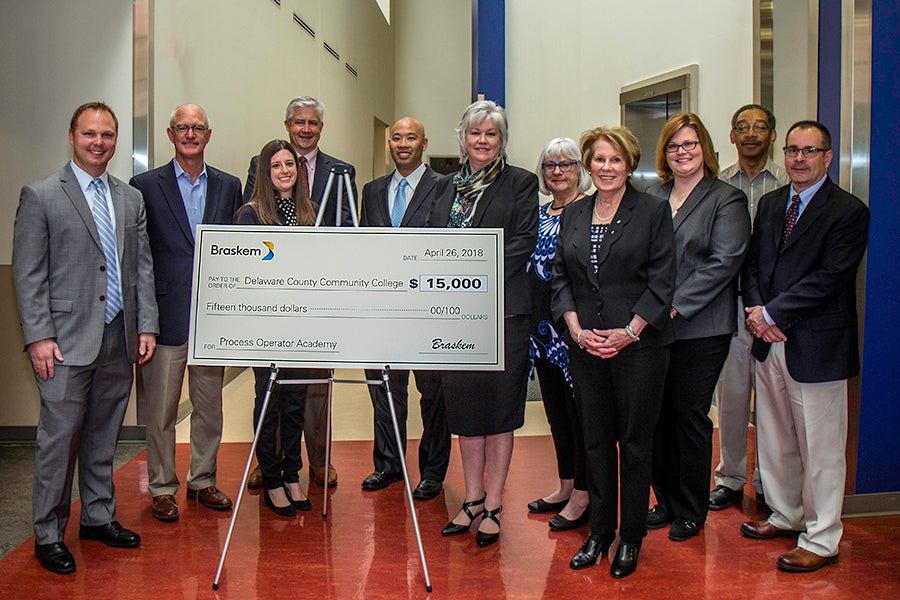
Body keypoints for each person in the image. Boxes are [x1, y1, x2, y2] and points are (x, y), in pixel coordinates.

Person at [12, 102, 158, 574]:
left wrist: (146, 325)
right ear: (72, 136)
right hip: (64, 343)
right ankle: (49, 533)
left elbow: (142, 268)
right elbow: (28, 274)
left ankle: (97, 517)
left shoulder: (129, 198)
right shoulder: (41, 195)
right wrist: (38, 338)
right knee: (59, 441)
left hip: (118, 336)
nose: (100, 143)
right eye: (90, 134)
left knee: (103, 437)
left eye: (108, 135)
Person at [740, 120, 869, 573]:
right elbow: (753, 264)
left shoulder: (849, 211)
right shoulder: (773, 204)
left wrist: (772, 315)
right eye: (793, 150)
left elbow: (830, 278)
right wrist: (757, 312)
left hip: (817, 345)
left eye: (809, 151)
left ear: (827, 157)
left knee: (821, 447)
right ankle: (786, 512)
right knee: (775, 436)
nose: (799, 158)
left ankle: (821, 537)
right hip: (768, 341)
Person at [552, 126, 674, 578]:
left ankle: (631, 537)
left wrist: (628, 331)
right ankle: (599, 532)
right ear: (589, 164)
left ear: (630, 164)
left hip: (639, 347)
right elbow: (561, 276)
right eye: (599, 160)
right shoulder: (575, 213)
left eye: (616, 160)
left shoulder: (653, 211)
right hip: (585, 346)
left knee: (635, 446)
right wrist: (576, 328)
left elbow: (663, 281)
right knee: (596, 441)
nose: (606, 168)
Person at [427, 100, 538, 547]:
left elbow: (524, 242)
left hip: (505, 312)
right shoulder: (445, 187)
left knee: (500, 409)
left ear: (502, 139)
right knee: (467, 409)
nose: (483, 140)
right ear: (463, 138)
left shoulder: (522, 183)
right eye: (476, 133)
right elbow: (432, 240)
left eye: (491, 133)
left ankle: (494, 503)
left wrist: (474, 270)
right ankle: (471, 498)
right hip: (455, 317)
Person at [130, 104, 242, 522]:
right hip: (164, 318)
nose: (190, 134)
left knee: (210, 406)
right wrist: (145, 318)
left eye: (197, 128)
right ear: (170, 133)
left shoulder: (228, 187)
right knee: (160, 411)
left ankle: (202, 480)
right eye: (183, 128)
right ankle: (161, 486)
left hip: (211, 318)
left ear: (208, 135)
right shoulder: (144, 185)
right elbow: (138, 256)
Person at [645, 113, 751, 541]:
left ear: (704, 147)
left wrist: (670, 306)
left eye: (689, 144)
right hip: (650, 327)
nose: (682, 152)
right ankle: (664, 499)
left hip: (700, 328)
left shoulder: (726, 199)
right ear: (664, 154)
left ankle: (690, 508)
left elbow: (723, 262)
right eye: (673, 146)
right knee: (654, 416)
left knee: (688, 416)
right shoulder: (651, 195)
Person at [243, 96, 356, 487]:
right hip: (271, 310)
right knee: (271, 388)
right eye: (298, 122)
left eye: (312, 123)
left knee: (315, 389)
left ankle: (318, 461)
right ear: (288, 126)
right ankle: (269, 462)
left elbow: (346, 232)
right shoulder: (262, 166)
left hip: (315, 306)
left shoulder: (341, 171)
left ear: (321, 128)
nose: (305, 129)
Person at [358, 117, 451, 500]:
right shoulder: (372, 190)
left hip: (427, 311)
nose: (402, 143)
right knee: (385, 391)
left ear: (424, 143)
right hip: (382, 311)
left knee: (433, 395)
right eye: (396, 137)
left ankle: (432, 471)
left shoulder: (445, 187)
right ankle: (388, 465)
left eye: (410, 137)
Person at [710, 104, 789, 511]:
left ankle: (769, 481)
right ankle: (731, 476)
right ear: (732, 135)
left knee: (774, 401)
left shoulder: (789, 182)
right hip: (731, 306)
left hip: (778, 312)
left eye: (760, 127)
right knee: (734, 396)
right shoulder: (719, 186)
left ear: (773, 135)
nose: (751, 134)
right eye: (743, 127)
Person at [236, 139, 317, 516]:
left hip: (301, 325)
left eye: (290, 164)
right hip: (265, 327)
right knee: (269, 402)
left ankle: (292, 473)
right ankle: (270, 477)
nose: (284, 171)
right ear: (264, 173)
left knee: (296, 402)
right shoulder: (249, 215)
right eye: (276, 166)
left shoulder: (308, 212)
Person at [525, 137, 592, 531]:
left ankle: (584, 492)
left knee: (580, 414)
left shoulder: (587, 211)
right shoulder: (538, 213)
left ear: (578, 170)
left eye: (566, 164)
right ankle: (566, 484)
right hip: (539, 331)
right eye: (550, 165)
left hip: (573, 330)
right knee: (555, 415)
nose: (557, 171)